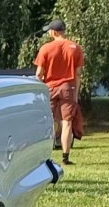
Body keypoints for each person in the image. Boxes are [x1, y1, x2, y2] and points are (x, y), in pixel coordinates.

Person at [34, 18, 84, 165]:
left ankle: (45, 155)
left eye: (49, 30)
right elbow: (78, 73)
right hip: (68, 88)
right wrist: (76, 93)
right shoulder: (75, 47)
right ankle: (65, 157)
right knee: (67, 122)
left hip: (49, 88)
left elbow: (39, 74)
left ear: (54, 32)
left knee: (49, 121)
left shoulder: (45, 49)